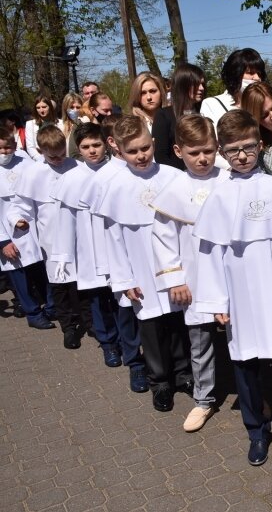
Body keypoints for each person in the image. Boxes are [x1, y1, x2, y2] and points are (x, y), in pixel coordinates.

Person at [193, 109, 272, 467]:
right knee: (246, 363)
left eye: (247, 147)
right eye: (232, 150)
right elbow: (209, 253)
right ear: (222, 153)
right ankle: (256, 430)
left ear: (260, 145)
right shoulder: (220, 196)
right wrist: (216, 301)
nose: (241, 156)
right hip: (239, 290)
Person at [92, 116, 192, 412]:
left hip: (172, 264)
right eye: (133, 151)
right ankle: (160, 381)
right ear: (120, 151)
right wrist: (123, 280)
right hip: (138, 267)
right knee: (150, 326)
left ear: (154, 143)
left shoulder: (172, 177)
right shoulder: (116, 186)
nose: (141, 155)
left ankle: (184, 373)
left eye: (145, 148)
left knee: (176, 322)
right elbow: (113, 239)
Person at [151, 115, 229, 433]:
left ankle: (254, 395)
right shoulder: (175, 189)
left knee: (241, 338)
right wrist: (175, 279)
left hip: (230, 273)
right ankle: (204, 398)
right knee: (200, 342)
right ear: (178, 151)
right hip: (195, 274)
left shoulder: (229, 180)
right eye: (194, 152)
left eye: (208, 151)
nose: (202, 158)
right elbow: (163, 238)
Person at [80, 116, 148, 394]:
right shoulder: (104, 177)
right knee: (126, 310)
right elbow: (97, 225)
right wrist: (107, 264)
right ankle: (135, 363)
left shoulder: (151, 170)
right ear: (114, 144)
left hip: (147, 252)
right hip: (118, 255)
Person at [50, 122, 121, 366]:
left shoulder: (118, 171)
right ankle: (108, 343)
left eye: (96, 145)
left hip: (115, 246)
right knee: (97, 299)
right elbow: (65, 221)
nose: (92, 151)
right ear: (78, 149)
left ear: (106, 144)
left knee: (119, 299)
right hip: (89, 248)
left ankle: (125, 340)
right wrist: (62, 254)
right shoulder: (72, 178)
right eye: (85, 146)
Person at [9, 125, 78, 345]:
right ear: (41, 151)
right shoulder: (33, 173)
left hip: (78, 236)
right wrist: (19, 220)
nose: (59, 160)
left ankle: (84, 320)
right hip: (51, 238)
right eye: (53, 156)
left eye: (61, 154)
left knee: (80, 285)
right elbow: (20, 205)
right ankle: (67, 327)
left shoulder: (75, 166)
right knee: (59, 285)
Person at [0, 127, 54, 330]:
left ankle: (50, 307)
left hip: (32, 228)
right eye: (0, 149)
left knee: (42, 270)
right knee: (19, 276)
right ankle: (33, 313)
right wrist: (3, 241)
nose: (5, 153)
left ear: (14, 146)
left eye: (8, 148)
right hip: (7, 232)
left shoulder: (24, 162)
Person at [153, 63, 206, 170]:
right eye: (196, 84)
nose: (201, 88)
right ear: (183, 85)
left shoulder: (203, 112)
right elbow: (161, 156)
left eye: (203, 84)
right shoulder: (164, 115)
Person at [25, 94, 60, 161]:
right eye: (38, 108)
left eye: (44, 107)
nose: (41, 110)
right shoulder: (30, 124)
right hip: (41, 160)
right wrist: (42, 160)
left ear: (50, 107)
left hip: (59, 158)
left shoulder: (60, 123)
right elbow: (30, 147)